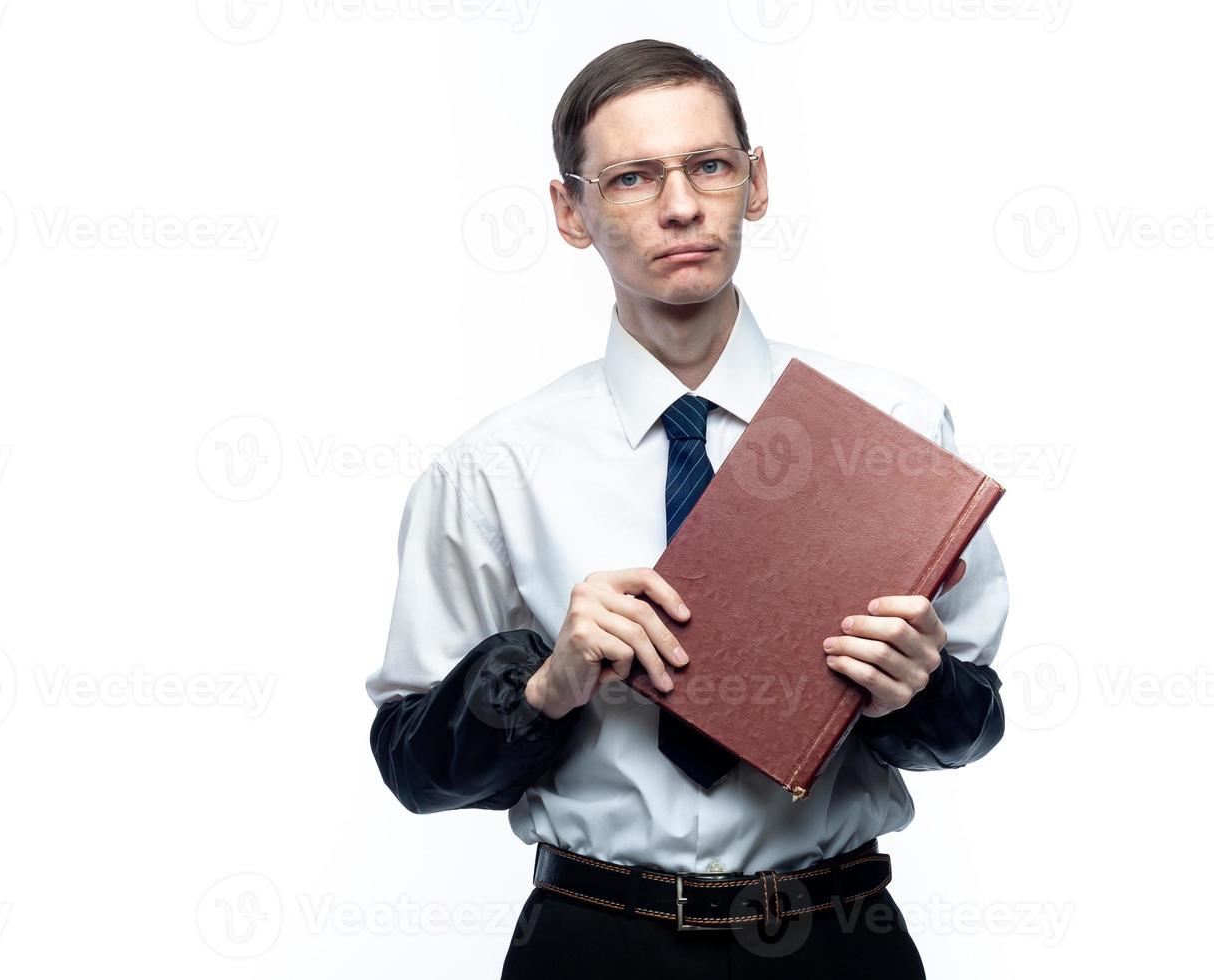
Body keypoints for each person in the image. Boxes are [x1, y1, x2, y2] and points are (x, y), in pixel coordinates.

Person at [365, 38, 1010, 979]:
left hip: (836, 939)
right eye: (629, 177)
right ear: (570, 210)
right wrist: (545, 682)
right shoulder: (494, 466)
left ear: (754, 183)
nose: (678, 206)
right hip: (591, 941)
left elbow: (974, 725)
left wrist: (919, 689)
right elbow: (412, 768)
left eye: (707, 165)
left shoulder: (893, 428)